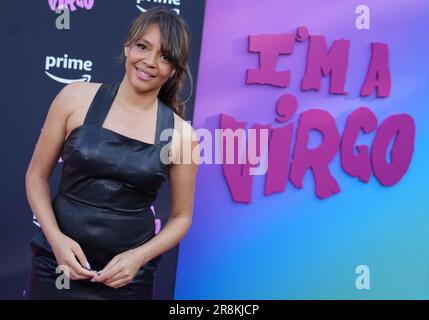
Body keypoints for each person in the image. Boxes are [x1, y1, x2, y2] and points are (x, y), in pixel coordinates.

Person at [23, 6, 199, 299]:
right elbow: (36, 176)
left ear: (174, 70)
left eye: (165, 57)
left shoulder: (182, 136)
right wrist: (56, 241)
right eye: (143, 47)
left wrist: (139, 257)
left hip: (126, 282)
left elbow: (182, 217)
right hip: (56, 267)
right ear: (128, 46)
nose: (150, 61)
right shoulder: (74, 98)